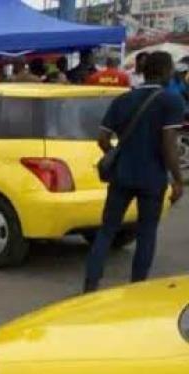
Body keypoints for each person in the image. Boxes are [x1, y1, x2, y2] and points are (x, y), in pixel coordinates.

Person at [84, 51, 184, 293]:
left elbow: (102, 138)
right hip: (152, 177)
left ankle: (91, 285)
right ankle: (136, 289)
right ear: (165, 71)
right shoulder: (170, 101)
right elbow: (168, 144)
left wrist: (117, 154)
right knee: (146, 233)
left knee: (107, 230)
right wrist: (178, 180)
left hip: (122, 175)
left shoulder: (122, 100)